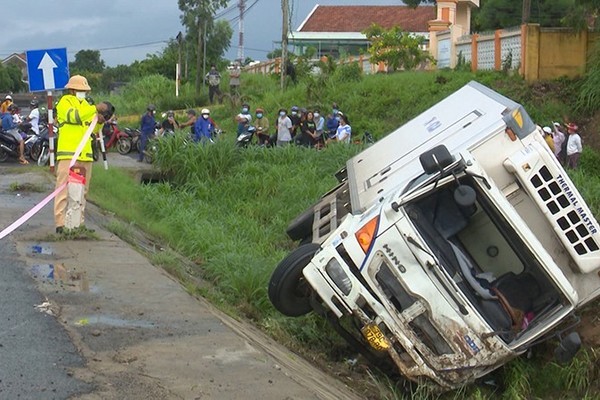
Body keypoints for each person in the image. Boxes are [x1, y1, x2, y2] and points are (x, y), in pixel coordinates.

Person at [54, 74, 114, 234]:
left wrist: (99, 122)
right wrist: (95, 109)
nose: (83, 93)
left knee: (82, 192)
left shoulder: (87, 106)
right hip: (68, 154)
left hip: (85, 155)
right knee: (63, 190)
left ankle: (78, 224)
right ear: (72, 90)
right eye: (80, 90)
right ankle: (60, 224)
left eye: (85, 90)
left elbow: (91, 130)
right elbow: (75, 116)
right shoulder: (64, 103)